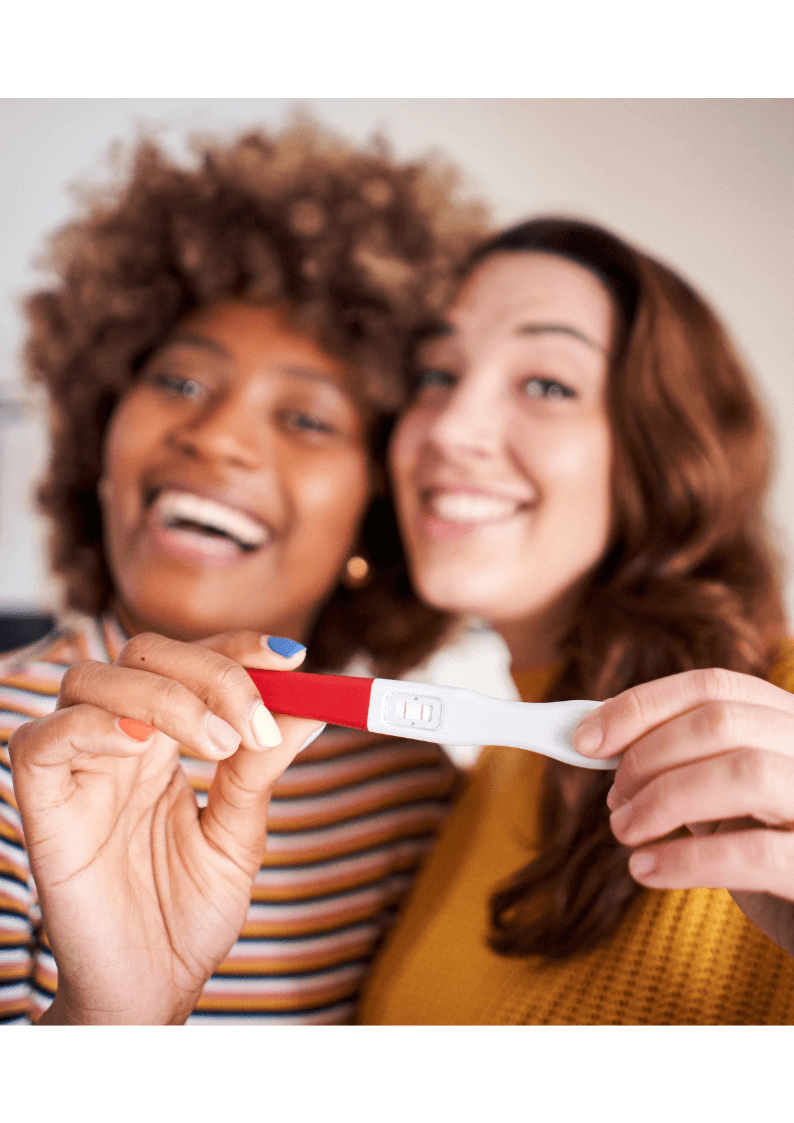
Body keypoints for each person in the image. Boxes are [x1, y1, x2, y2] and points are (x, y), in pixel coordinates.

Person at [0, 121, 489, 1025]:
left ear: (377, 512)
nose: (217, 436)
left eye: (306, 419)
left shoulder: (415, 804)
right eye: (181, 383)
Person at [359, 216, 794, 1025]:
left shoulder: (782, 728)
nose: (450, 429)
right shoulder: (492, 771)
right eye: (436, 374)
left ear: (662, 453)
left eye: (548, 385)